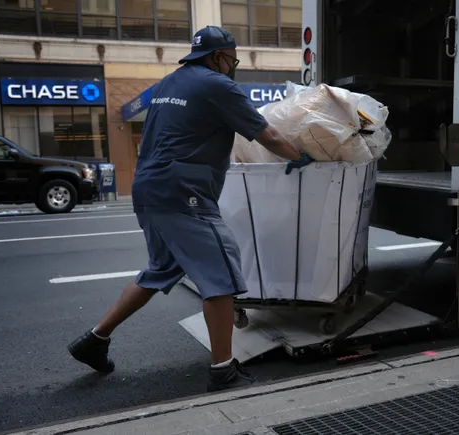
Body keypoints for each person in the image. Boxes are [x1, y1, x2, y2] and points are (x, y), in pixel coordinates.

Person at [67, 26, 313, 392]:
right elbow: (269, 135)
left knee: (160, 269)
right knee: (221, 274)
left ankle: (94, 339)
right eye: (232, 59)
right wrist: (302, 156)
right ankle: (223, 369)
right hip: (184, 193)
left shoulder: (169, 84)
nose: (234, 66)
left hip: (149, 188)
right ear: (218, 57)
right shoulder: (218, 86)